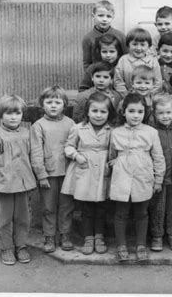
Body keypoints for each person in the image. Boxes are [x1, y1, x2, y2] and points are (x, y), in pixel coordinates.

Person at [109, 93, 166, 262]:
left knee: (142, 212)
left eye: (140, 112)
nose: (135, 115)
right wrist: (114, 162)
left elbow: (159, 157)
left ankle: (141, 245)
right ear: (123, 112)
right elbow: (111, 153)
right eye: (131, 111)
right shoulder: (116, 132)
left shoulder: (151, 132)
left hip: (143, 175)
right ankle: (121, 245)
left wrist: (158, 179)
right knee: (121, 213)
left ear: (145, 113)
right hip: (122, 176)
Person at [0, 95, 37, 265]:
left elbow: (34, 157)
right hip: (4, 186)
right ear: (1, 114)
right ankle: (6, 247)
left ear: (22, 114)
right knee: (5, 219)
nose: (13, 117)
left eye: (17, 113)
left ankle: (20, 245)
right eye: (8, 113)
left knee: (23, 218)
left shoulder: (28, 134)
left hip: (23, 184)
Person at [61, 92, 114, 255]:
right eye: (95, 111)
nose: (98, 115)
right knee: (86, 208)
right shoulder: (78, 128)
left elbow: (114, 151)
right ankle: (88, 237)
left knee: (101, 207)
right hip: (84, 170)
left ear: (109, 113)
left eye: (103, 112)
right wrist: (76, 156)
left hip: (102, 170)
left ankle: (99, 237)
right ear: (87, 112)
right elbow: (68, 146)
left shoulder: (111, 130)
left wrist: (111, 163)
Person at [30, 86, 75, 253]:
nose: (53, 106)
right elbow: (35, 152)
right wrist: (41, 175)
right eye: (49, 102)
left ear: (65, 104)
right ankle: (49, 236)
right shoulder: (38, 126)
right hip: (48, 174)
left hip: (68, 172)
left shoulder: (71, 124)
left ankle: (65, 234)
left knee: (67, 205)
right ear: (42, 104)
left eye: (58, 102)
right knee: (48, 206)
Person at [148, 95, 172, 252]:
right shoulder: (151, 132)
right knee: (157, 208)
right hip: (157, 179)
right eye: (161, 113)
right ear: (154, 113)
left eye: (169, 112)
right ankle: (157, 236)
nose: (165, 116)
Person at [82, 0, 127, 75]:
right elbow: (87, 63)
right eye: (100, 15)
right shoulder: (88, 38)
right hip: (98, 76)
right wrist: (91, 77)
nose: (104, 19)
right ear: (93, 16)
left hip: (118, 75)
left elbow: (126, 58)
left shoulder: (120, 36)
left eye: (108, 16)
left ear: (113, 17)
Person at [114, 27, 163, 95]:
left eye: (142, 45)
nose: (138, 48)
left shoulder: (153, 61)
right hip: (128, 98)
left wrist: (148, 95)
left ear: (149, 46)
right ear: (128, 45)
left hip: (148, 98)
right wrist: (126, 95)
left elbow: (158, 82)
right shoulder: (123, 60)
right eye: (134, 44)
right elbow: (118, 81)